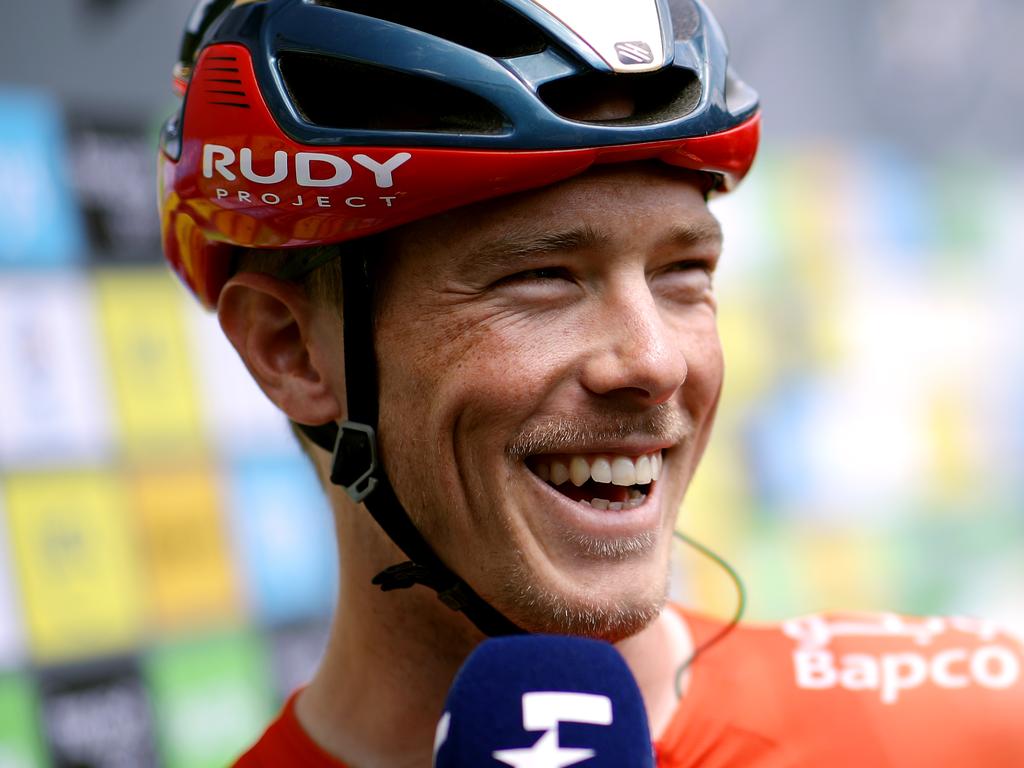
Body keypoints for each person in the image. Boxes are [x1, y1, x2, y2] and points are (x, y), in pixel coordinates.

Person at [159, 0, 1024, 765]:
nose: (655, 363)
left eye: (685, 271)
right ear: (292, 352)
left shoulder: (977, 732)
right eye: (544, 277)